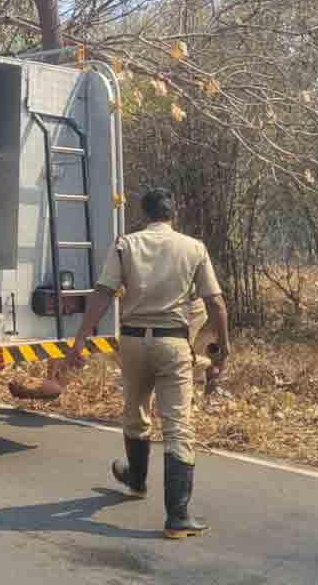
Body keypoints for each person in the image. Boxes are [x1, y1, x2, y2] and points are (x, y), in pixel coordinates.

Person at [68, 187, 230, 539]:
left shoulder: (125, 244)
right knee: (177, 425)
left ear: (144, 214)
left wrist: (80, 339)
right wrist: (224, 349)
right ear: (174, 214)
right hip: (173, 342)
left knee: (134, 410)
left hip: (132, 341)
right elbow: (215, 303)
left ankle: (137, 480)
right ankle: (177, 517)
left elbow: (103, 293)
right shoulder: (193, 248)